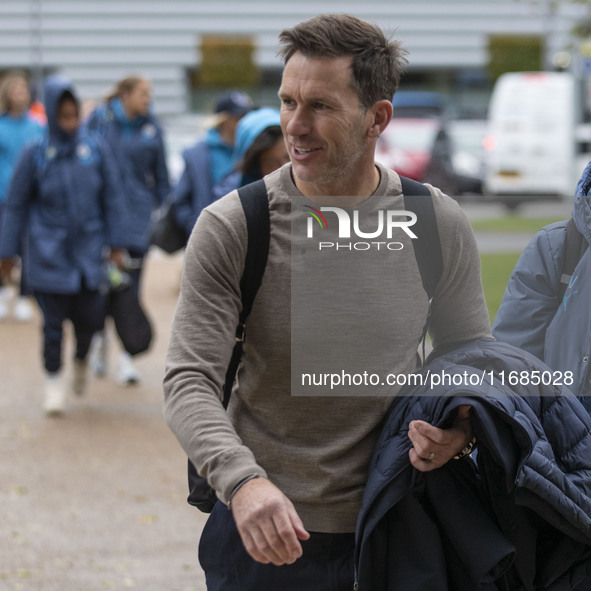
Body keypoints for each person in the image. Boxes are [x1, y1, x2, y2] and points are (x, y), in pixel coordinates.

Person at [163, 13, 491, 590]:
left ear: (377, 118)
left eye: (320, 106)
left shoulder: (435, 222)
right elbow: (189, 380)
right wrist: (242, 483)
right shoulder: (235, 226)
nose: (295, 125)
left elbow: (469, 356)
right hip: (265, 536)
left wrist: (461, 427)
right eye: (288, 101)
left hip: (399, 524)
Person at [0, 75, 126, 415]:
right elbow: (16, 204)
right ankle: (53, 382)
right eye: (64, 116)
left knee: (90, 320)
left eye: (75, 116)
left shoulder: (95, 148)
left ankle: (82, 360)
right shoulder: (36, 152)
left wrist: (117, 243)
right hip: (48, 253)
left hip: (89, 253)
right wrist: (7, 252)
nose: (70, 122)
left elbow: (112, 197)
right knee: (52, 326)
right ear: (53, 115)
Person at [85, 75, 169, 385]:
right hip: (100, 220)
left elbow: (161, 177)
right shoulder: (99, 121)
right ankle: (98, 341)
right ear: (125, 94)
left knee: (130, 289)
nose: (148, 98)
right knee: (97, 287)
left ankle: (127, 357)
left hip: (136, 221)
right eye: (143, 93)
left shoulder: (152, 127)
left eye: (150, 93)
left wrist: (163, 214)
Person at [171, 90, 253, 238]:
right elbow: (181, 200)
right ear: (224, 120)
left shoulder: (254, 150)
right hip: (207, 240)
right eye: (239, 117)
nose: (245, 122)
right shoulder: (197, 154)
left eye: (247, 116)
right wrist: (196, 229)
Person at [0, 70, 45, 320]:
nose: (21, 94)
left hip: (31, 198)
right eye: (16, 90)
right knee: (3, 244)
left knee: (29, 246)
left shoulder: (37, 127)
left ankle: (24, 294)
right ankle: (3, 287)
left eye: (24, 90)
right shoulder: (1, 126)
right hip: (3, 196)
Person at [211, 106, 289, 199]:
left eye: (289, 158)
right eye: (271, 164)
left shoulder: (306, 192)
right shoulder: (231, 200)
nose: (285, 168)